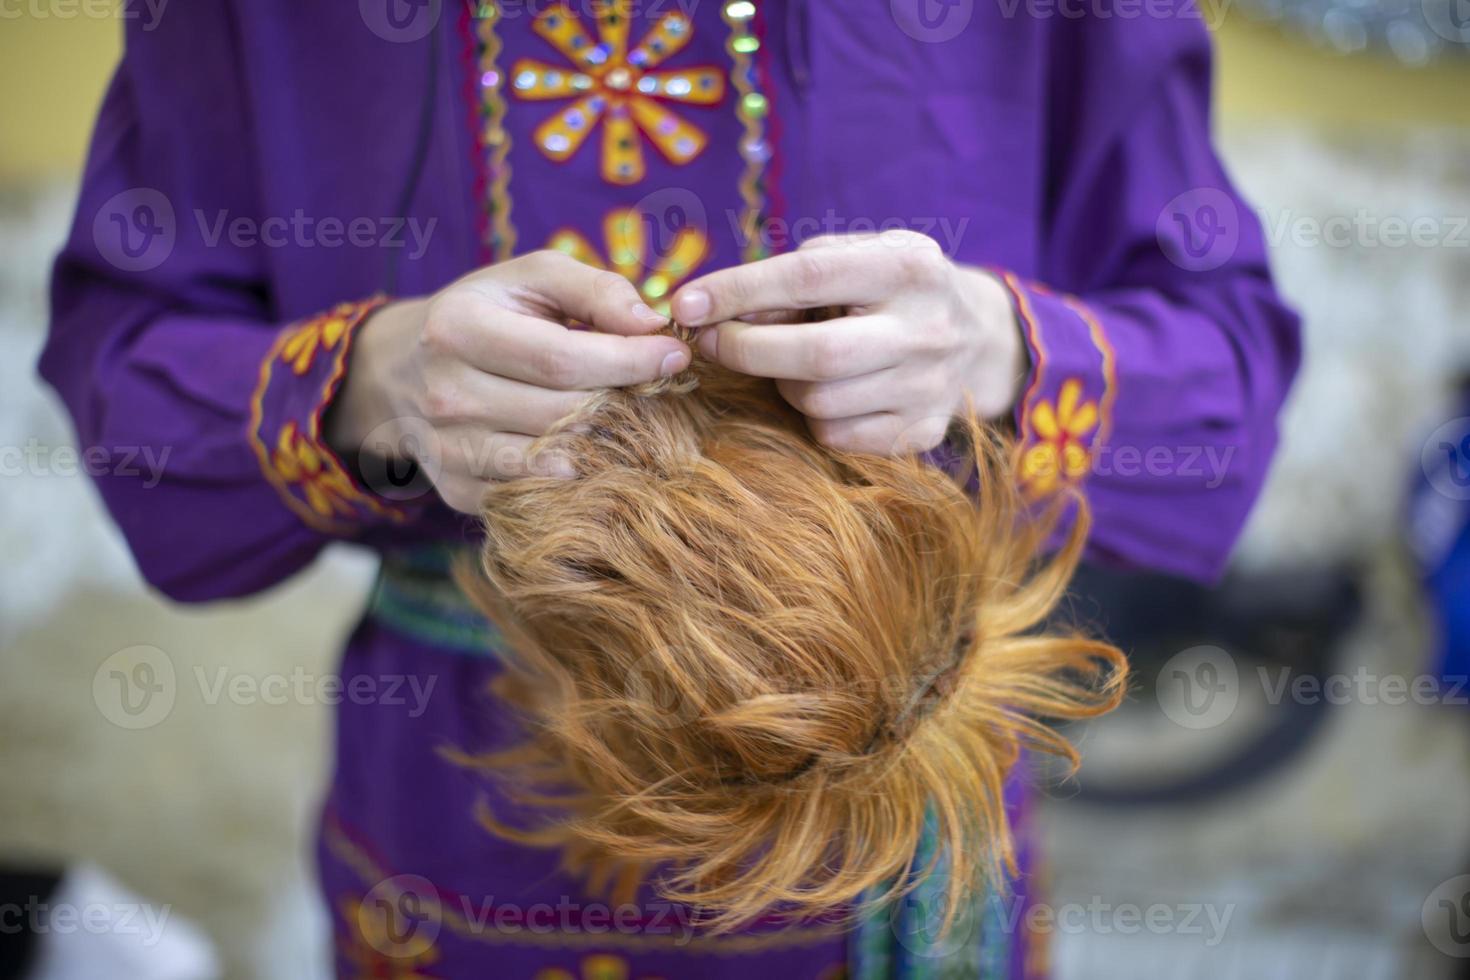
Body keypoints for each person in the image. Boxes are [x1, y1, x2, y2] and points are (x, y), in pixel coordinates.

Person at [41, 1, 1300, 976]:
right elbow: (126, 378)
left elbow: (1228, 377)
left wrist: (997, 347)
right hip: (456, 799)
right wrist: (374, 382)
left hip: (895, 802)